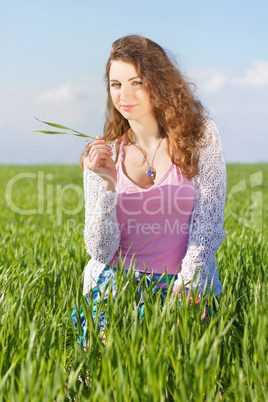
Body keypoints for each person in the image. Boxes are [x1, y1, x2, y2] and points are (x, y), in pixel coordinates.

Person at [72, 35, 227, 346]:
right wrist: (107, 183)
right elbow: (101, 250)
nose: (124, 95)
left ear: (159, 84)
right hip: (117, 283)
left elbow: (208, 226)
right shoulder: (105, 152)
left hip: (183, 282)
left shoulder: (200, 137)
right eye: (115, 84)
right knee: (108, 370)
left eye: (136, 82)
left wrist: (186, 287)